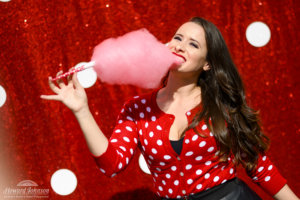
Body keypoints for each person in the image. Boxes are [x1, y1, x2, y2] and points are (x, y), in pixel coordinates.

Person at [41, 17, 299, 200]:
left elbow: (258, 165)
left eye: (193, 44)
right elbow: (112, 164)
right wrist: (81, 110)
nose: (179, 45)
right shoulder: (138, 109)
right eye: (177, 38)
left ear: (207, 64)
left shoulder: (220, 106)